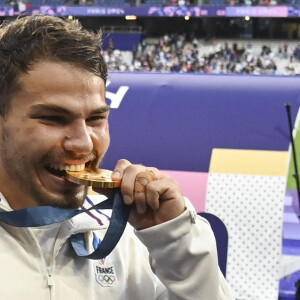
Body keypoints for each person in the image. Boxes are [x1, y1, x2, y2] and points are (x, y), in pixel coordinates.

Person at [0, 14, 235, 299]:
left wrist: (177, 242)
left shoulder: (139, 236)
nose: (84, 143)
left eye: (96, 118)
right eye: (53, 118)